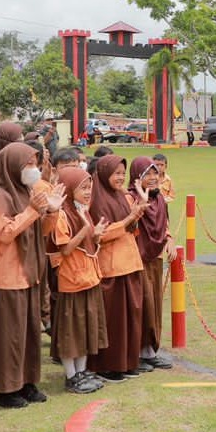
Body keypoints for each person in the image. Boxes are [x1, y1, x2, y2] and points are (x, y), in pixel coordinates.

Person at [0, 142, 61, 408]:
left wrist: (53, 210)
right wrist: (32, 211)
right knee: (10, 337)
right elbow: (3, 235)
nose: (34, 169)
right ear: (13, 166)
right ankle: (7, 389)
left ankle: (27, 383)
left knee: (29, 334)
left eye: (34, 163)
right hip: (8, 277)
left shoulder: (26, 192)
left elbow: (41, 232)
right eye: (28, 164)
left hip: (29, 274)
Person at [87, 155, 150, 383]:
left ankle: (128, 362)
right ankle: (109, 365)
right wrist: (128, 220)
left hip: (129, 263)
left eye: (123, 173)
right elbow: (101, 235)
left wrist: (138, 211)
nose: (121, 178)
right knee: (114, 321)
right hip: (111, 268)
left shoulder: (123, 196)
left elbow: (131, 227)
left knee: (131, 318)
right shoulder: (96, 199)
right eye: (116, 174)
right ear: (104, 174)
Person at [49, 167, 109, 393]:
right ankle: (71, 375)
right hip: (72, 280)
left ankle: (82, 372)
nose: (88, 192)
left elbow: (86, 242)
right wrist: (85, 230)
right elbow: (65, 249)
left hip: (89, 277)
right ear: (70, 188)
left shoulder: (82, 210)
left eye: (89, 187)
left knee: (85, 329)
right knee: (70, 332)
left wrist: (95, 234)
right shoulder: (62, 215)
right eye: (83, 187)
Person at [130, 157, 174, 371]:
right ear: (137, 176)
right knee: (142, 303)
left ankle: (150, 351)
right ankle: (136, 353)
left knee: (154, 303)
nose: (153, 178)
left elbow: (164, 223)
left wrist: (169, 238)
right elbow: (129, 224)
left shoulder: (160, 199)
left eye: (155, 173)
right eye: (147, 173)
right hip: (136, 258)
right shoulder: (130, 197)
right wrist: (140, 199)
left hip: (154, 258)